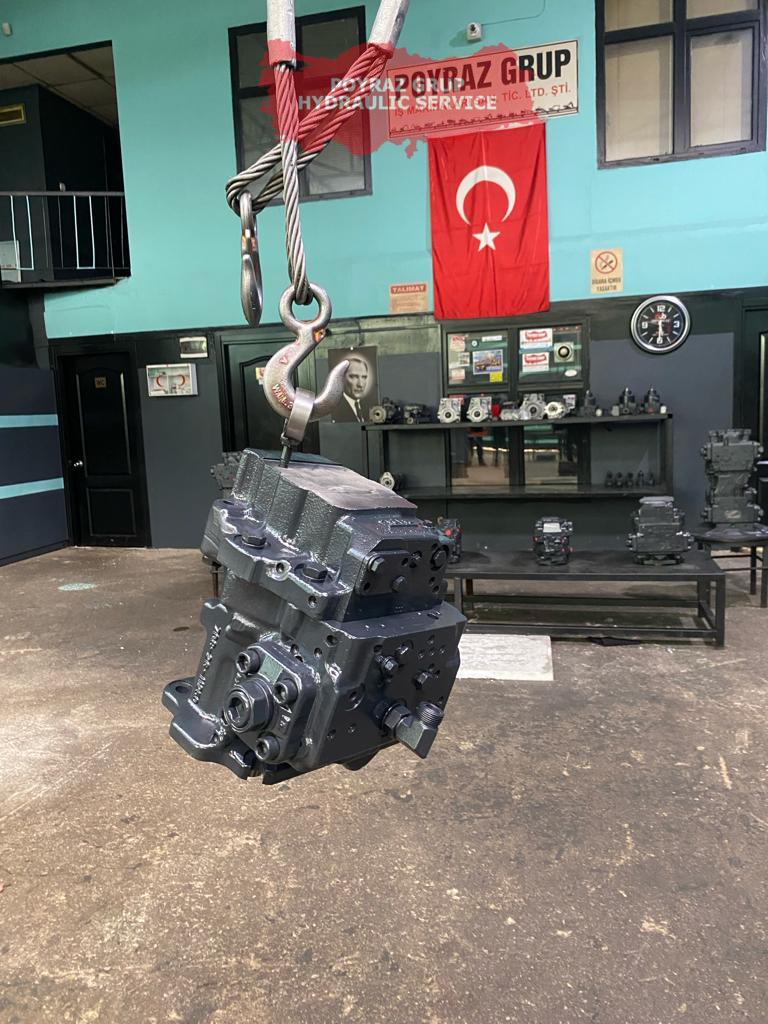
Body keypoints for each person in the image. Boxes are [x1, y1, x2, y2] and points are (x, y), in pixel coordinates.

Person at [333, 354, 373, 423]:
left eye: (364, 377)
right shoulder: (335, 407)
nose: (360, 384)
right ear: (341, 378)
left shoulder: (368, 406)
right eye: (354, 377)